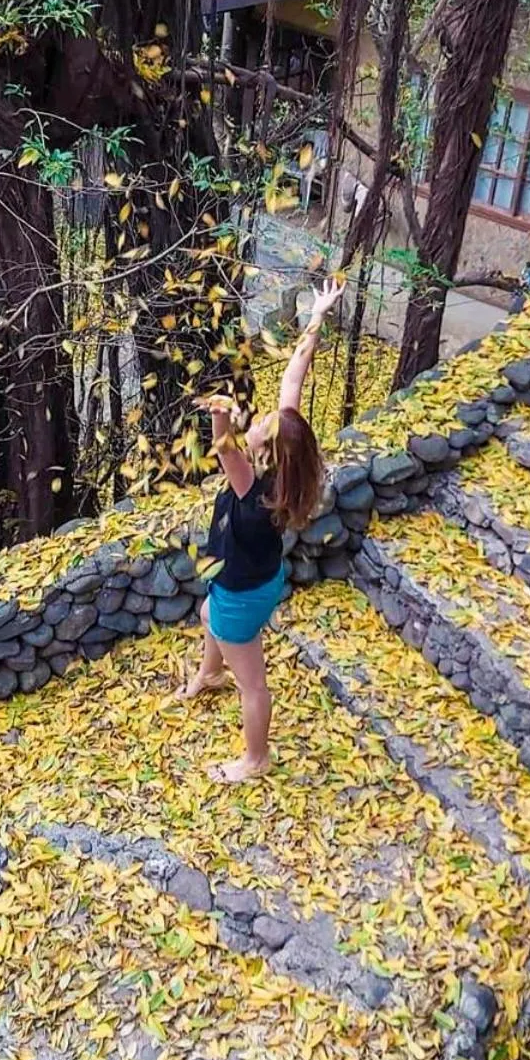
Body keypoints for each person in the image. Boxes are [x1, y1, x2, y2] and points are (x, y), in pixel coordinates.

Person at [179, 275, 345, 783]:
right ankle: (210, 672)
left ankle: (255, 759)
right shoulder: (286, 466)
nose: (260, 420)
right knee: (207, 613)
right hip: (258, 577)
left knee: (252, 684)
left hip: (242, 591)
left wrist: (220, 414)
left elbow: (223, 448)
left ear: (266, 452)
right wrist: (317, 314)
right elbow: (295, 373)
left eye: (263, 425)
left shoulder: (253, 486)